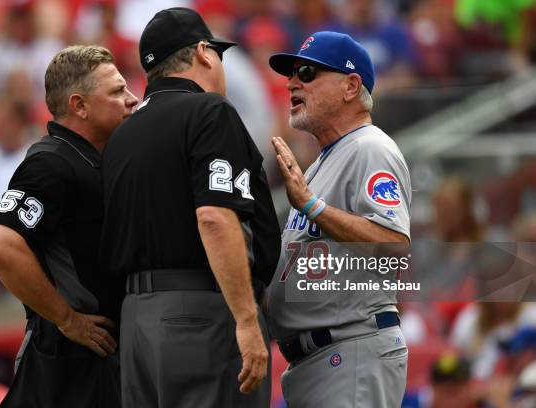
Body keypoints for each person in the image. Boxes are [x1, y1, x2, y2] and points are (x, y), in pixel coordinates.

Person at [99, 7, 280, 408]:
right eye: (218, 53)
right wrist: (247, 321)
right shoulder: (209, 111)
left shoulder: (121, 135)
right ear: (202, 51)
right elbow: (214, 216)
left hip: (137, 324)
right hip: (201, 313)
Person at [0, 45, 138, 407]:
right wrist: (67, 319)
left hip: (101, 356)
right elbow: (0, 244)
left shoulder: (100, 159)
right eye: (116, 91)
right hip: (65, 361)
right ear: (79, 105)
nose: (131, 99)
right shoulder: (51, 163)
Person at [266, 31, 412, 407]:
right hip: (322, 360)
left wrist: (313, 207)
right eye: (292, 73)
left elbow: (394, 246)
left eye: (308, 73)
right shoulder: (325, 161)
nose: (292, 82)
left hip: (350, 352)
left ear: (351, 86)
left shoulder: (369, 147)